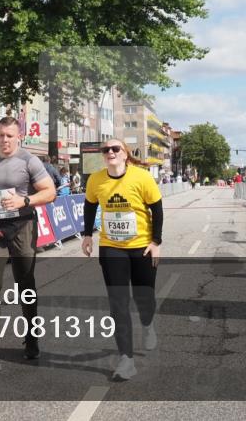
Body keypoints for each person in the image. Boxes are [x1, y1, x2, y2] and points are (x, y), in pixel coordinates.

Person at [0, 117, 57, 372]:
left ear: (19, 136)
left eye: (9, 136)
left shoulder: (29, 160)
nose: (4, 140)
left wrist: (24, 201)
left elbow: (49, 192)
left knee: (25, 284)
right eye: (0, 136)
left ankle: (31, 339)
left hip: (22, 226)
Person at [81, 138, 163, 381]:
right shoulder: (96, 180)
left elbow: (157, 209)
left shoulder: (142, 177)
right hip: (111, 247)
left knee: (144, 298)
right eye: (106, 150)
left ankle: (147, 325)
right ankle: (126, 359)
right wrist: (87, 236)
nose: (110, 152)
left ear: (125, 154)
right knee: (118, 302)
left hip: (141, 248)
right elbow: (89, 206)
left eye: (115, 149)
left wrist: (156, 242)